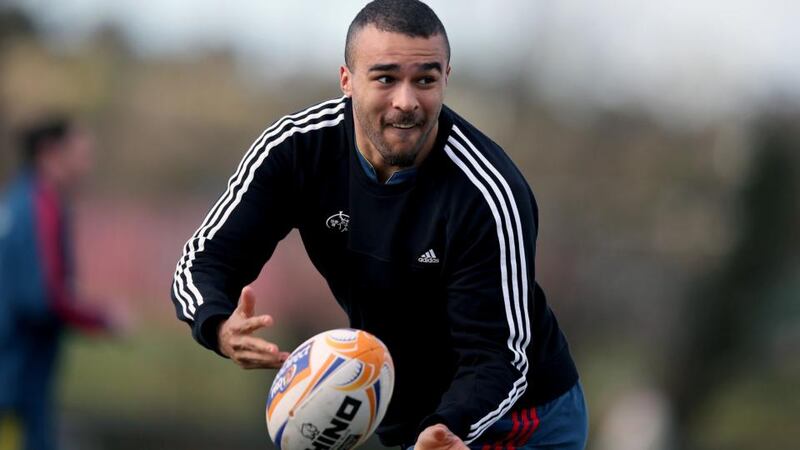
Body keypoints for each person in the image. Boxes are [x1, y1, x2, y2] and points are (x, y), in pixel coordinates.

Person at [170, 1, 588, 448]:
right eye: (386, 78)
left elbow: (498, 357)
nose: (406, 102)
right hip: (407, 415)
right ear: (347, 80)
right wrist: (216, 324)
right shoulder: (296, 152)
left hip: (520, 420)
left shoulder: (486, 192)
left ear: (446, 78)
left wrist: (447, 428)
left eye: (424, 80)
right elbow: (203, 260)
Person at [0, 116, 113, 450]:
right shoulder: (40, 206)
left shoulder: (16, 200)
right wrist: (101, 318)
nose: (87, 162)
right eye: (80, 151)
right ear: (50, 153)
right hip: (15, 383)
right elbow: (43, 297)